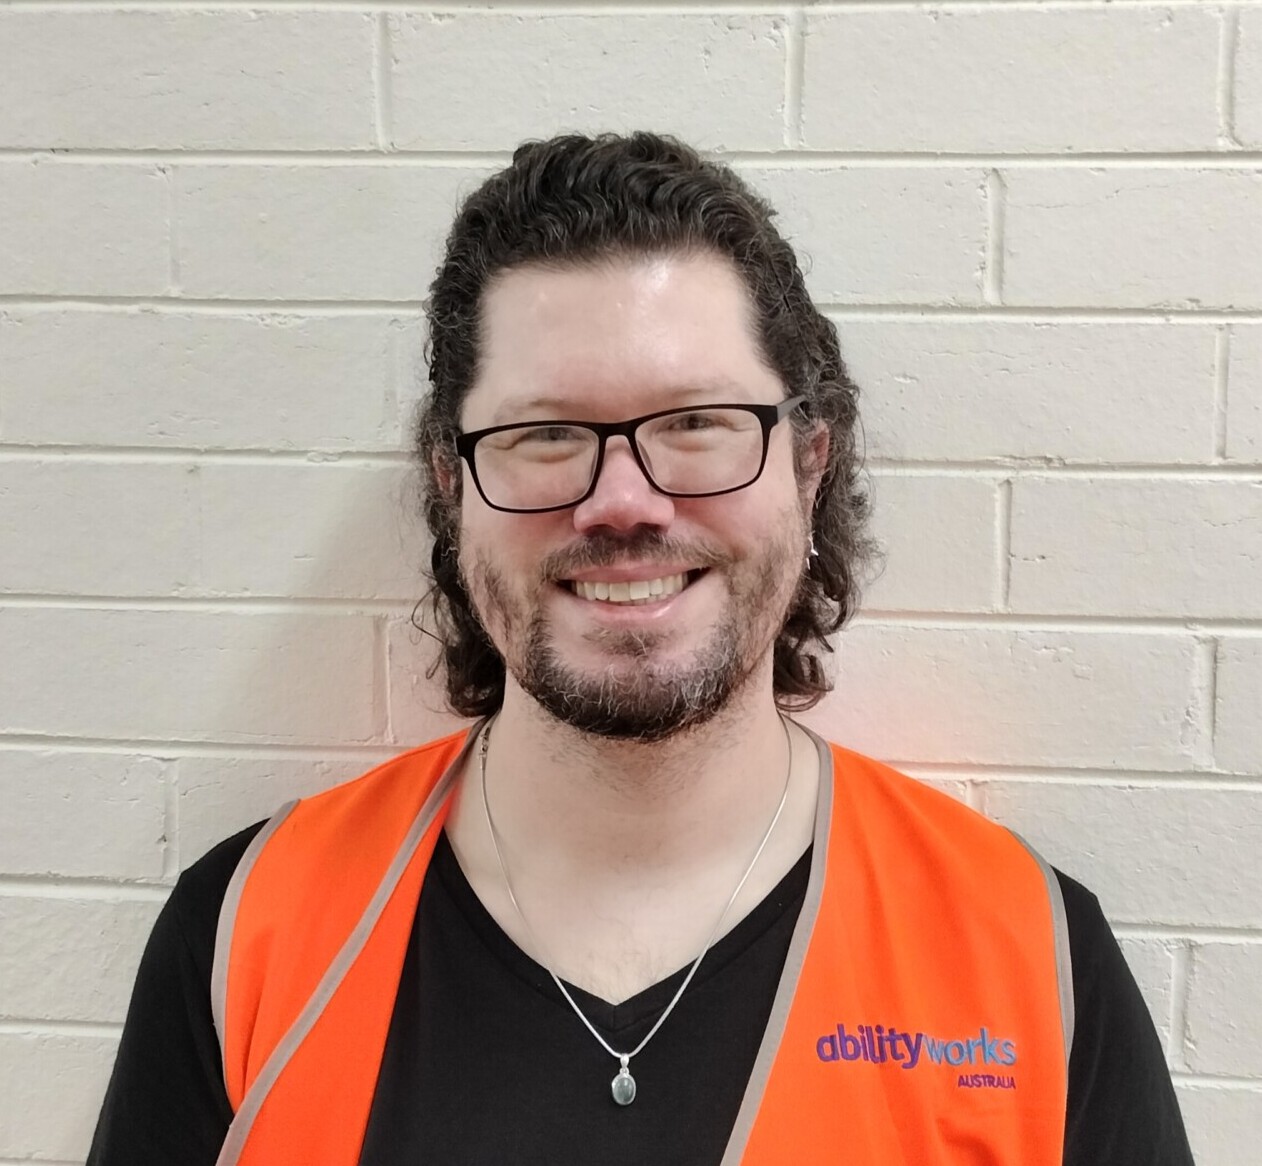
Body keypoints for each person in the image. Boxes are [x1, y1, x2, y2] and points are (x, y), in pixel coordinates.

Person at [89, 132, 1193, 1165]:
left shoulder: (1027, 956)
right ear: (449, 485)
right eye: (543, 433)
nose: (622, 501)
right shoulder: (248, 932)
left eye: (695, 422)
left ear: (808, 464)